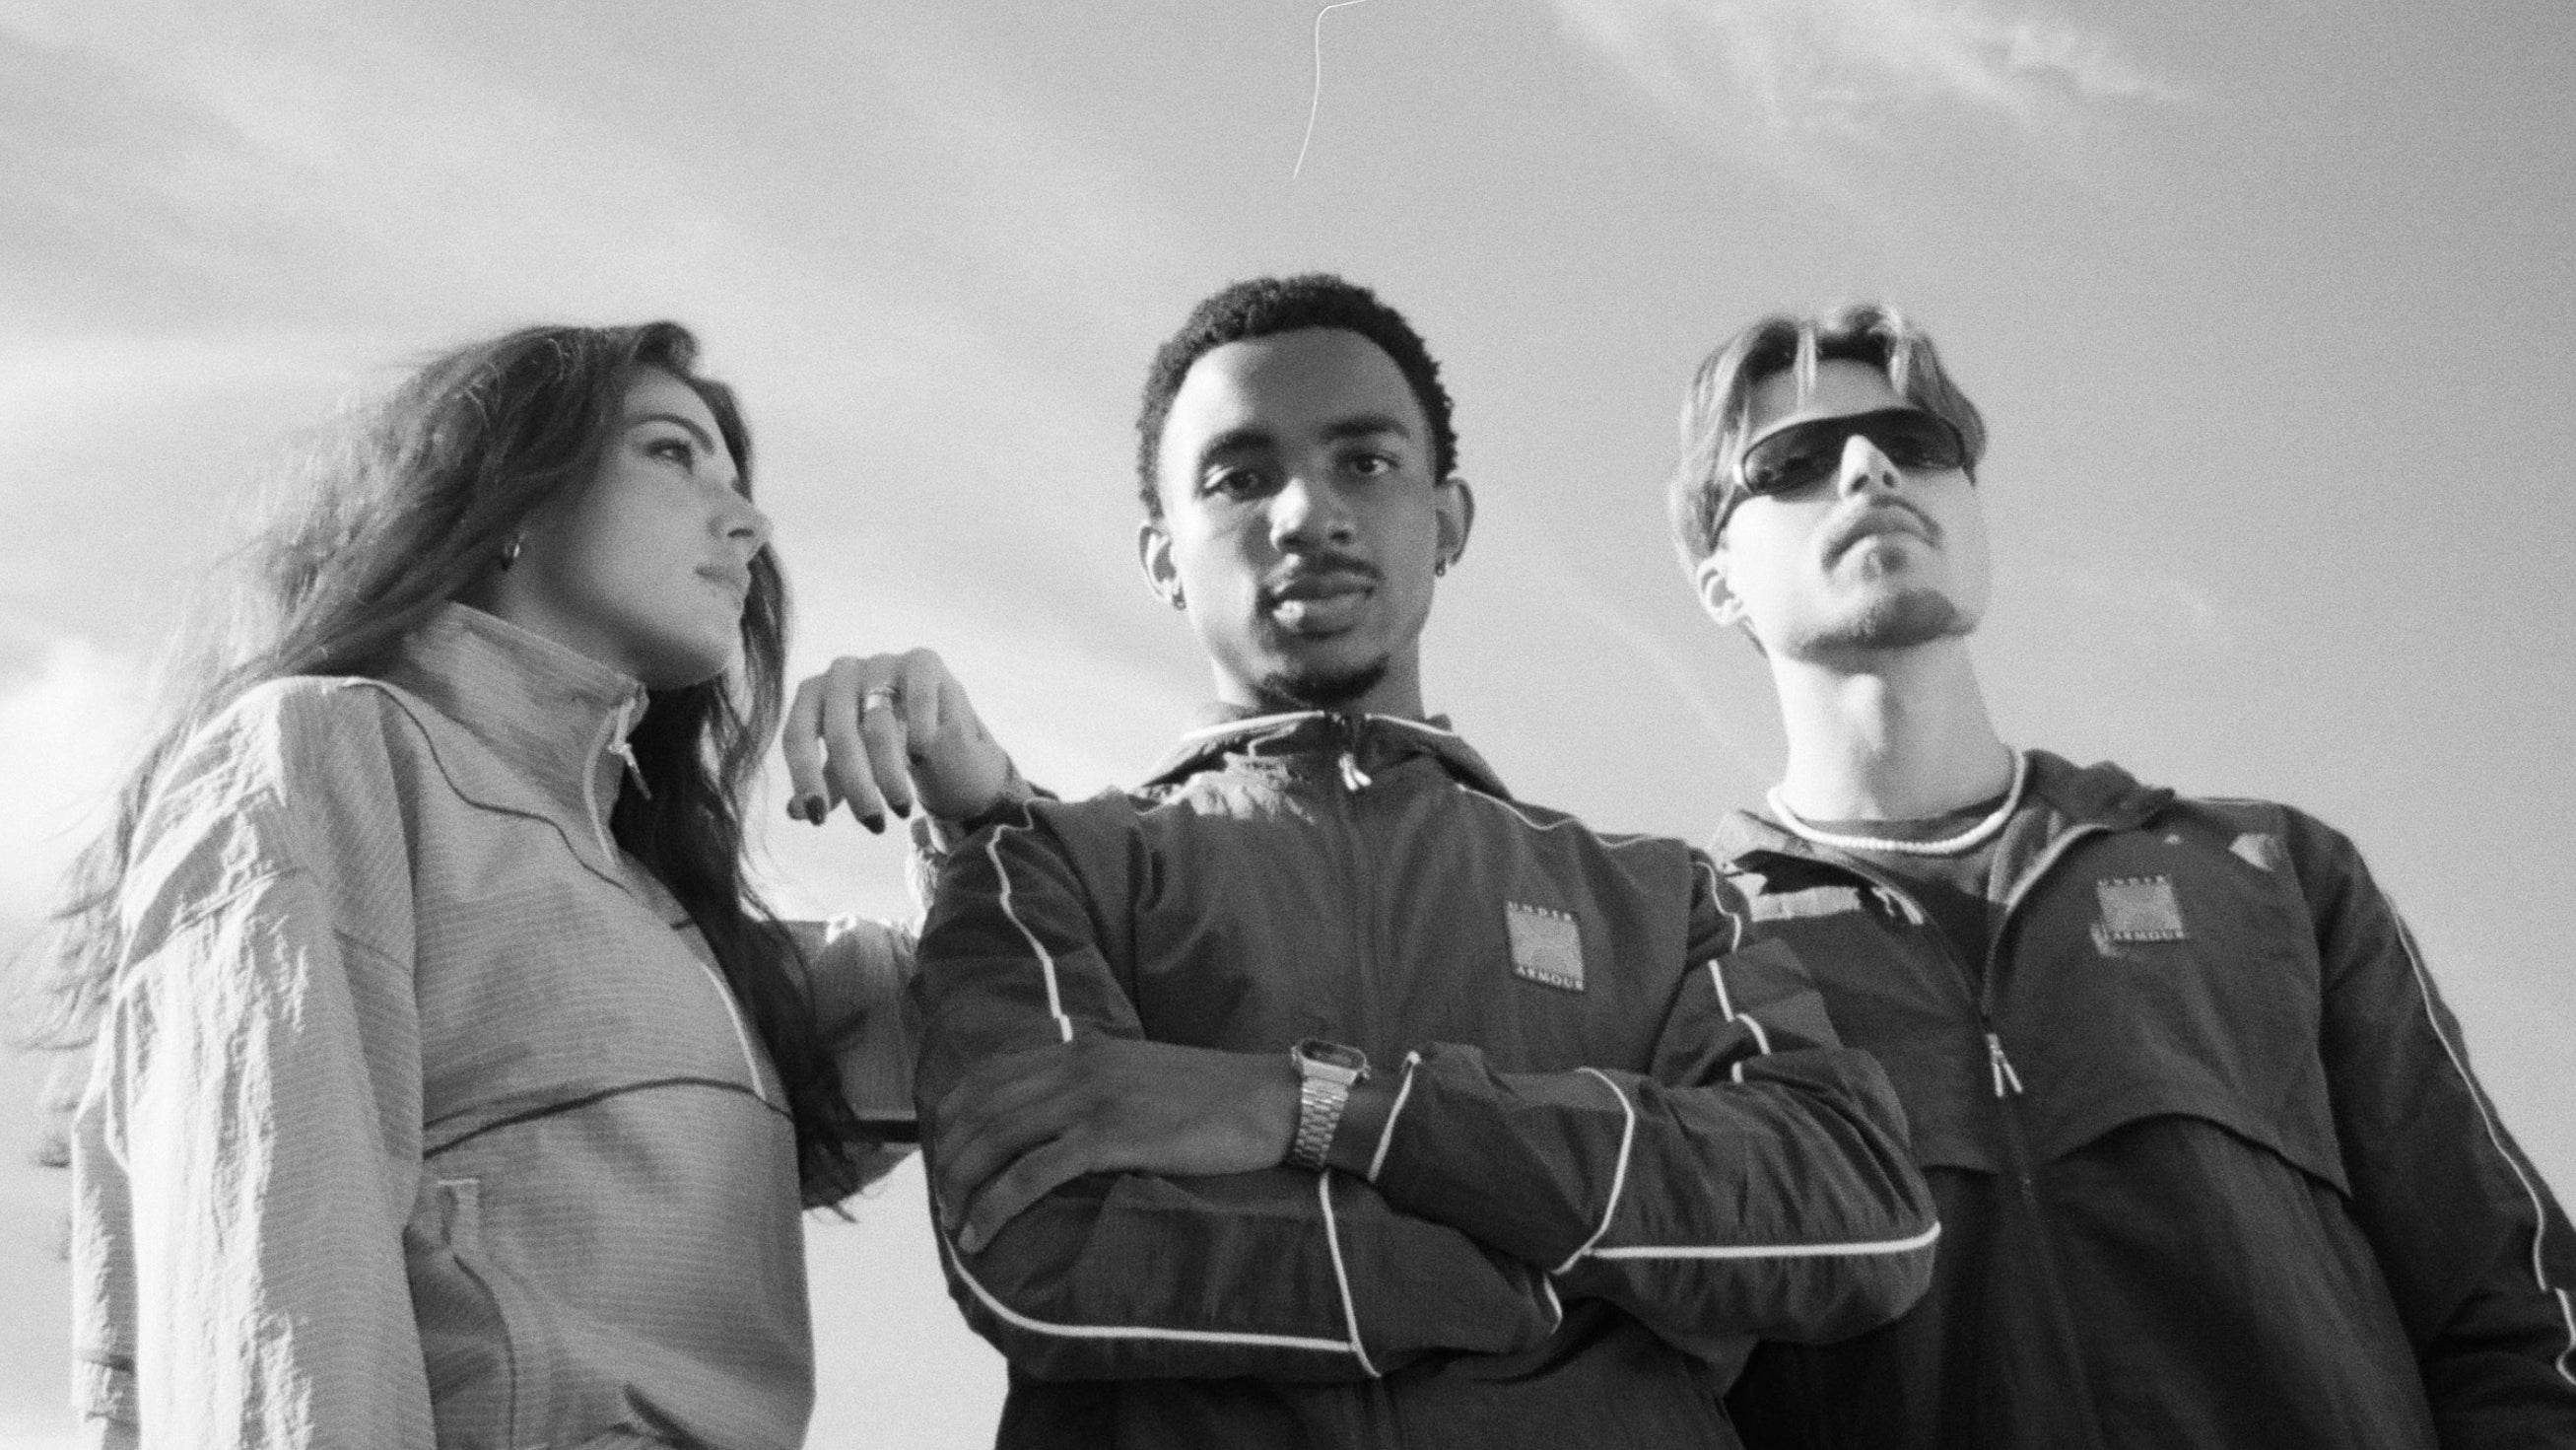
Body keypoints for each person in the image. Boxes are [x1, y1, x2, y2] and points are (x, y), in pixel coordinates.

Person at [908, 274, 1940, 1449]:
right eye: (1239, 477)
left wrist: (1327, 1111)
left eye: (1365, 462)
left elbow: (1854, 1212)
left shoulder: (1662, 897)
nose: (1308, 513)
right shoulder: (1038, 871)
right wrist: (1557, 1279)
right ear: (1162, 555)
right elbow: (1044, 1252)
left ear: (1448, 521)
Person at [25, 321, 1027, 1449]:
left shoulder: (682, 932)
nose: (749, 522)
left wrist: (975, 799)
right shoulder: (328, 754)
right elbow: (274, 1293)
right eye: (671, 452)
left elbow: (1006, 1018)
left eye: (738, 481)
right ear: (510, 495)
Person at [1666, 304, 2576, 1447]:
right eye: (1792, 461)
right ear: (1718, 580)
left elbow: (2511, 1302)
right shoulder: (1684, 955)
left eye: (1914, 442)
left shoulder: (2271, 874)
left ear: (1973, 511)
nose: (1866, 468)